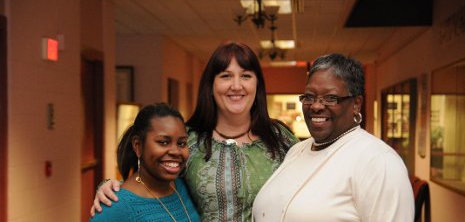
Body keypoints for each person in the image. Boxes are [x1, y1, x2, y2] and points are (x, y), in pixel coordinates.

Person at [91, 41, 300, 221]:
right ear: (211, 85)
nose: (236, 86)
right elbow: (153, 181)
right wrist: (112, 187)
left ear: (257, 85)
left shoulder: (279, 138)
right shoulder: (188, 140)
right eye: (226, 76)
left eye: (246, 76)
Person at [252, 53, 415, 221]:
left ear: (356, 103)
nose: (316, 106)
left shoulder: (379, 161)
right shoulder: (296, 150)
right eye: (309, 97)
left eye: (331, 98)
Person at [90, 103, 200, 222]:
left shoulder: (183, 185)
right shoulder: (116, 207)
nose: (175, 151)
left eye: (181, 143)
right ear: (138, 146)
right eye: (163, 142)